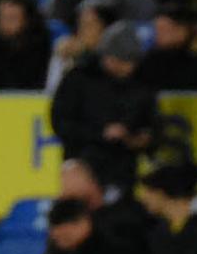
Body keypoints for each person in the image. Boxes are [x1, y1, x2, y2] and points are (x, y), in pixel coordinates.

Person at [50, 22, 159, 192]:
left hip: (123, 169)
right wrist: (101, 133)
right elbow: (61, 123)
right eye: (122, 61)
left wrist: (140, 138)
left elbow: (151, 123)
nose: (128, 68)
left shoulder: (142, 82)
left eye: (131, 62)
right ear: (107, 56)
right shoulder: (79, 78)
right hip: (82, 165)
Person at [135, 3, 197, 91]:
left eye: (164, 29)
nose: (158, 35)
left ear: (184, 29)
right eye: (156, 29)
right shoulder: (152, 60)